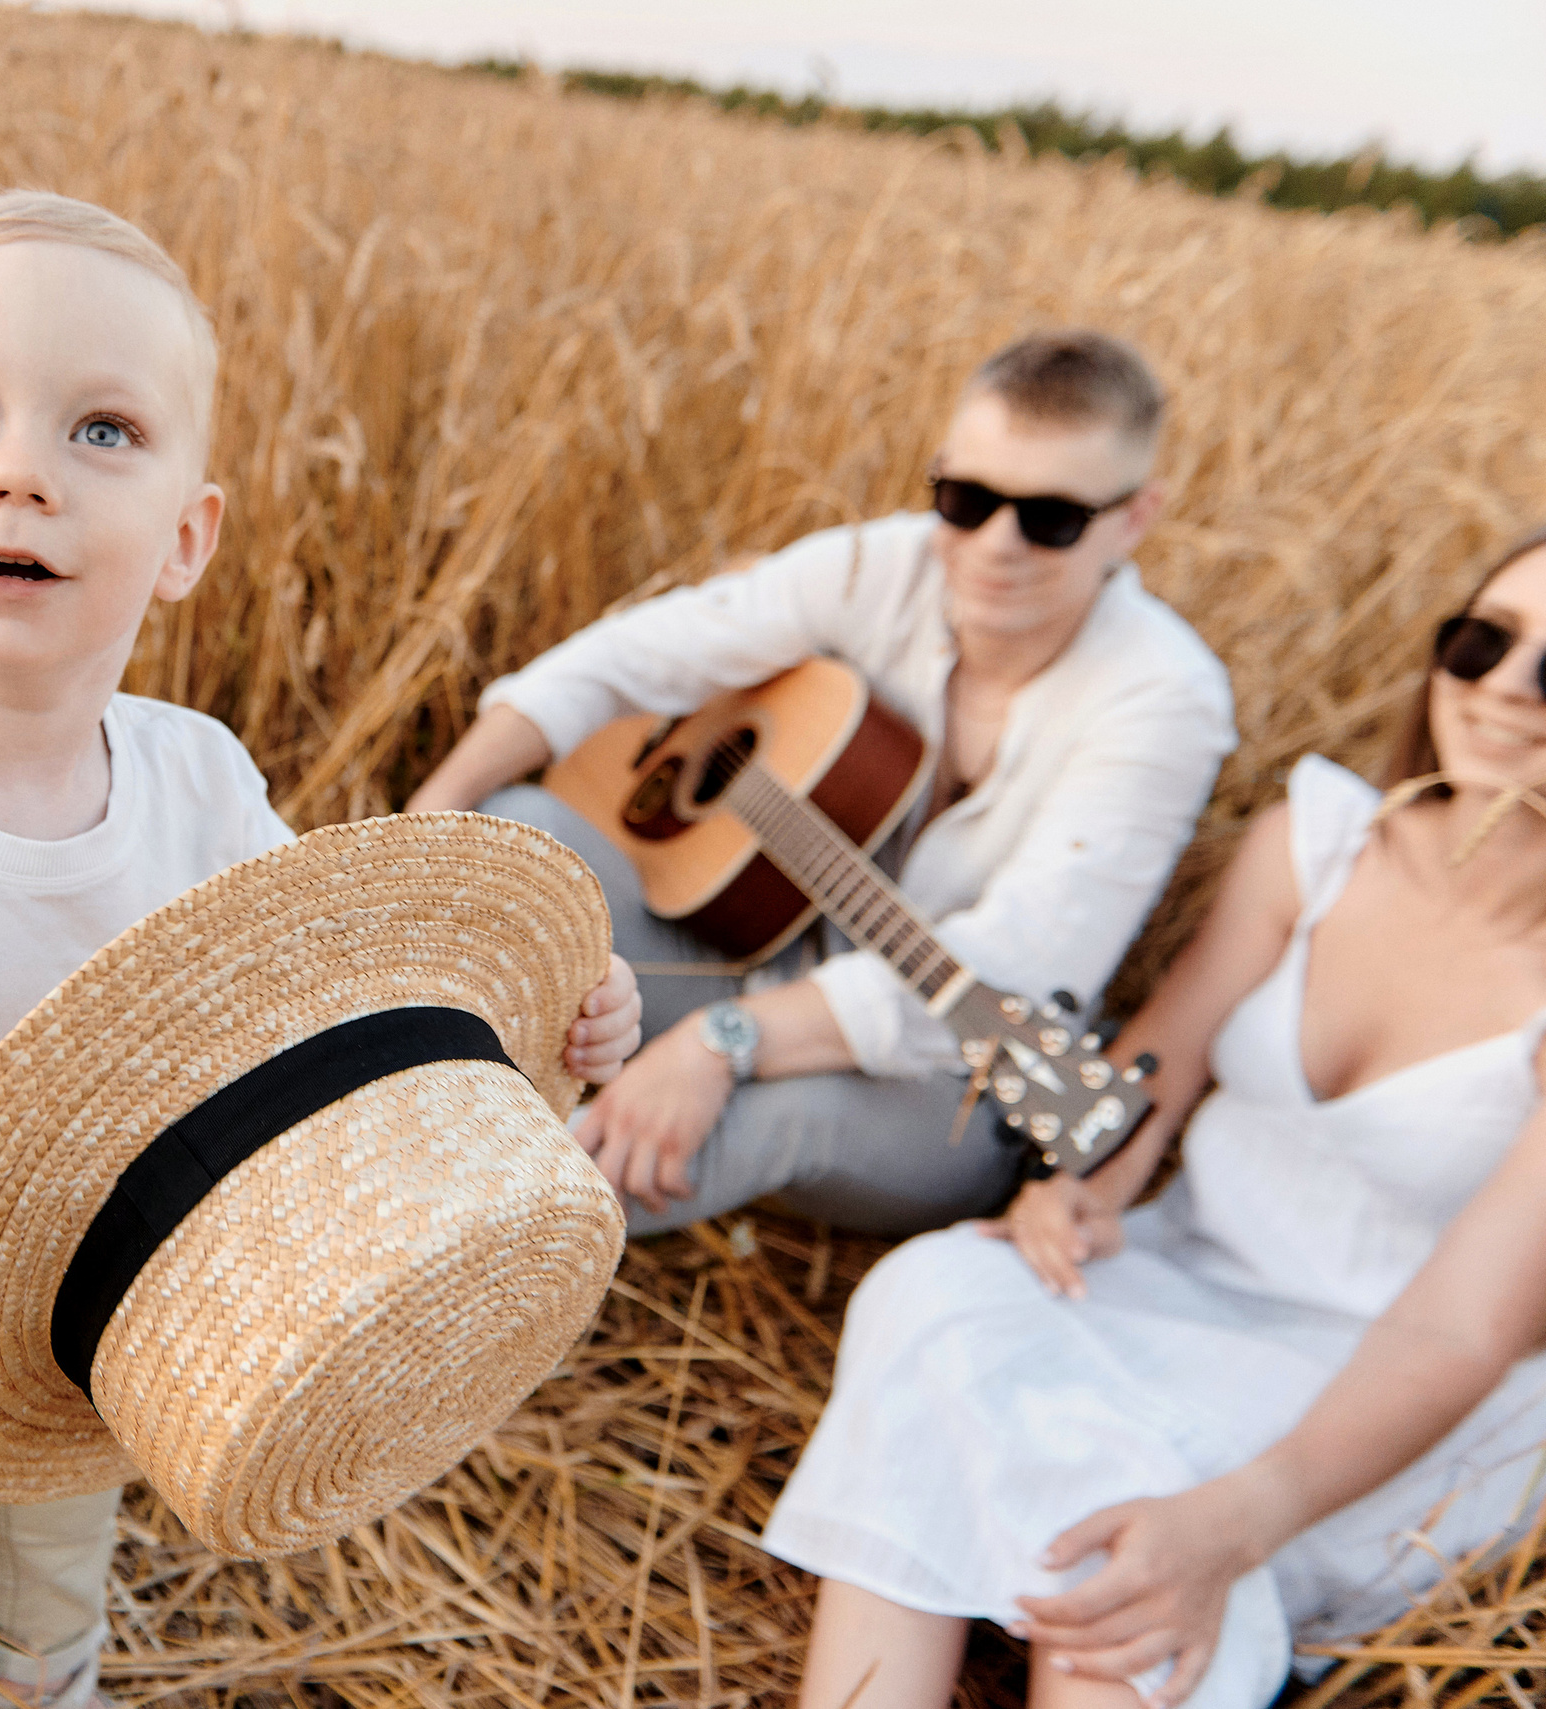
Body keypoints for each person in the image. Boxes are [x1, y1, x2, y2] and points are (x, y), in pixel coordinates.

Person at [0, 191, 642, 1709]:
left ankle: (28, 1680)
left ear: (186, 537)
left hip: (91, 1327)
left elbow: (330, 1019)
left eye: (101, 429)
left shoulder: (203, 780)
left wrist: (549, 1024)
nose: (23, 471)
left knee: (55, 1576)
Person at [765, 526, 1546, 1709]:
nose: (1499, 689)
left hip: (1388, 1388)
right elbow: (1155, 1065)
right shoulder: (1322, 844)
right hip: (1178, 1277)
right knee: (931, 1289)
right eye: (1481, 641)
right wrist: (1086, 1184)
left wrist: (1239, 1518)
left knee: (1143, 1499)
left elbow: (1461, 1328)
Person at [406, 330, 1236, 1238]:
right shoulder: (881, 564)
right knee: (520, 831)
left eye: (1051, 520)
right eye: (965, 499)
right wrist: (430, 815)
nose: (996, 545)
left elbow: (1023, 963)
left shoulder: (1167, 699)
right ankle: (397, 1104)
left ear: (1135, 517)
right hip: (760, 950)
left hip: (943, 1085)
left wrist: (723, 1043)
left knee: (781, 1118)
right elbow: (628, 661)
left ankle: (475, 1244)